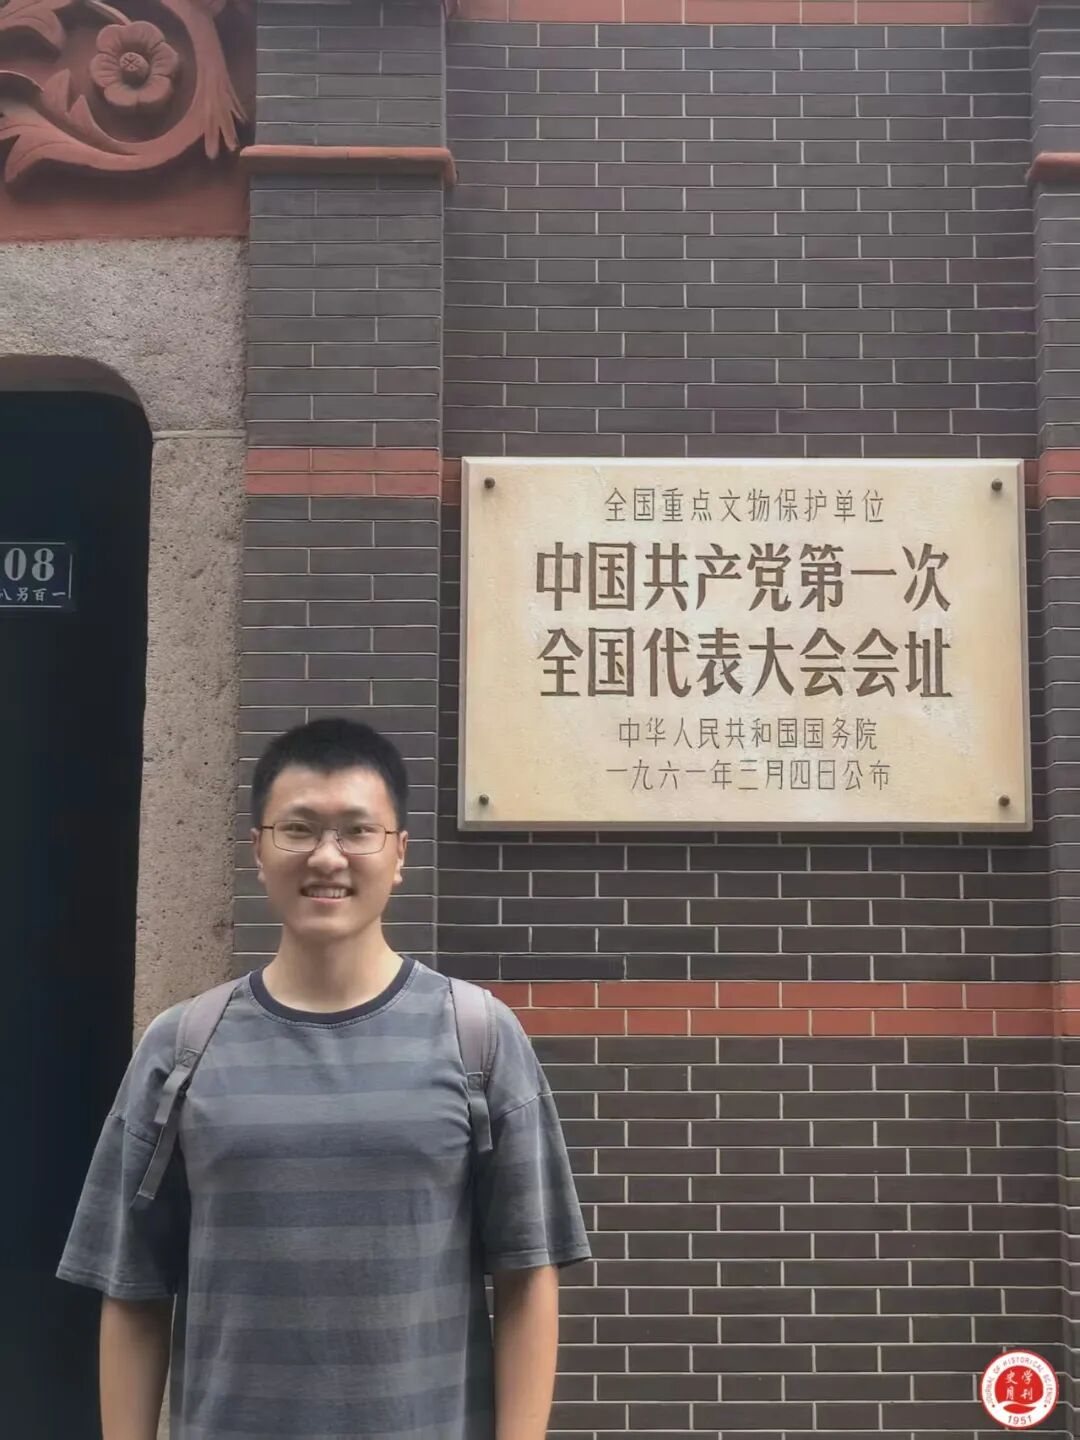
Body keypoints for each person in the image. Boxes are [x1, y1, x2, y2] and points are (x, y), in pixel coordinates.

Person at [57, 716, 592, 1439]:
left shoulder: (480, 1037)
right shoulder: (181, 1048)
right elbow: (132, 1289)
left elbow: (528, 1275)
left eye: (358, 831)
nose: (328, 857)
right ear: (259, 849)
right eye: (299, 829)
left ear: (399, 853)